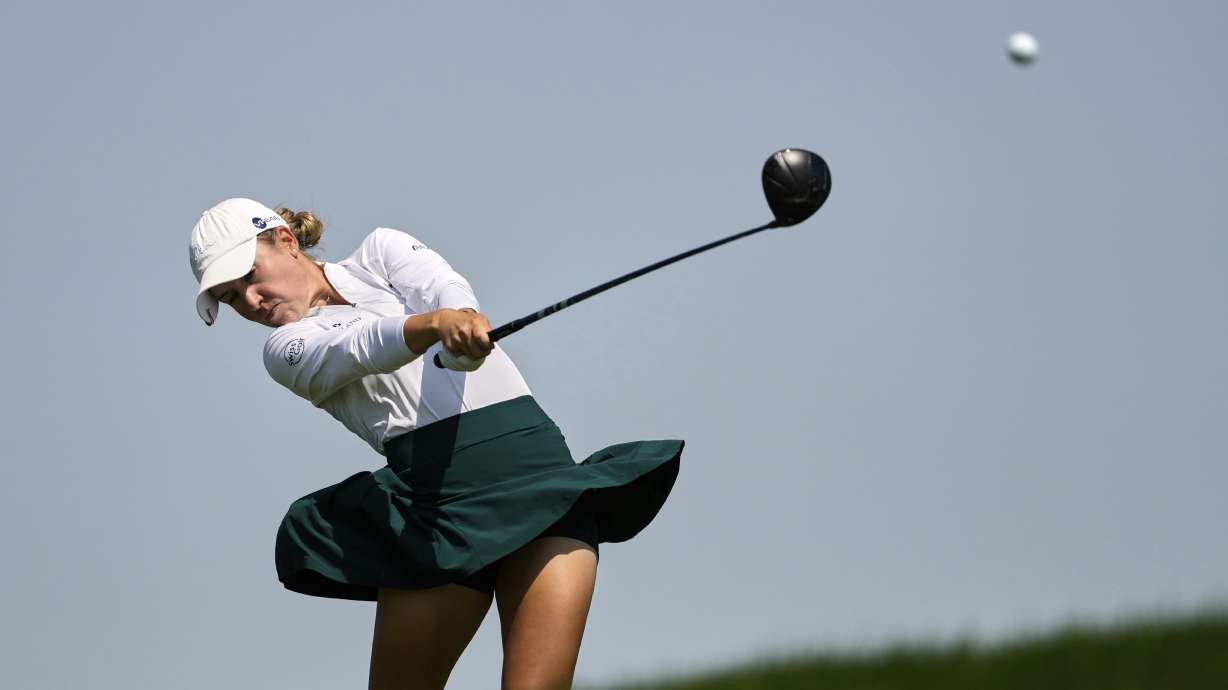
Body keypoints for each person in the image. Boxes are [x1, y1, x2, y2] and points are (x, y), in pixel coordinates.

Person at [188, 198, 682, 690]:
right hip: (439, 515)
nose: (251, 302)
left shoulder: (381, 251)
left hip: (543, 479)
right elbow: (364, 347)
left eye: (250, 276)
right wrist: (437, 326)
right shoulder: (285, 350)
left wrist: (461, 319)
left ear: (287, 241)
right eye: (231, 298)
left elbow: (441, 286)